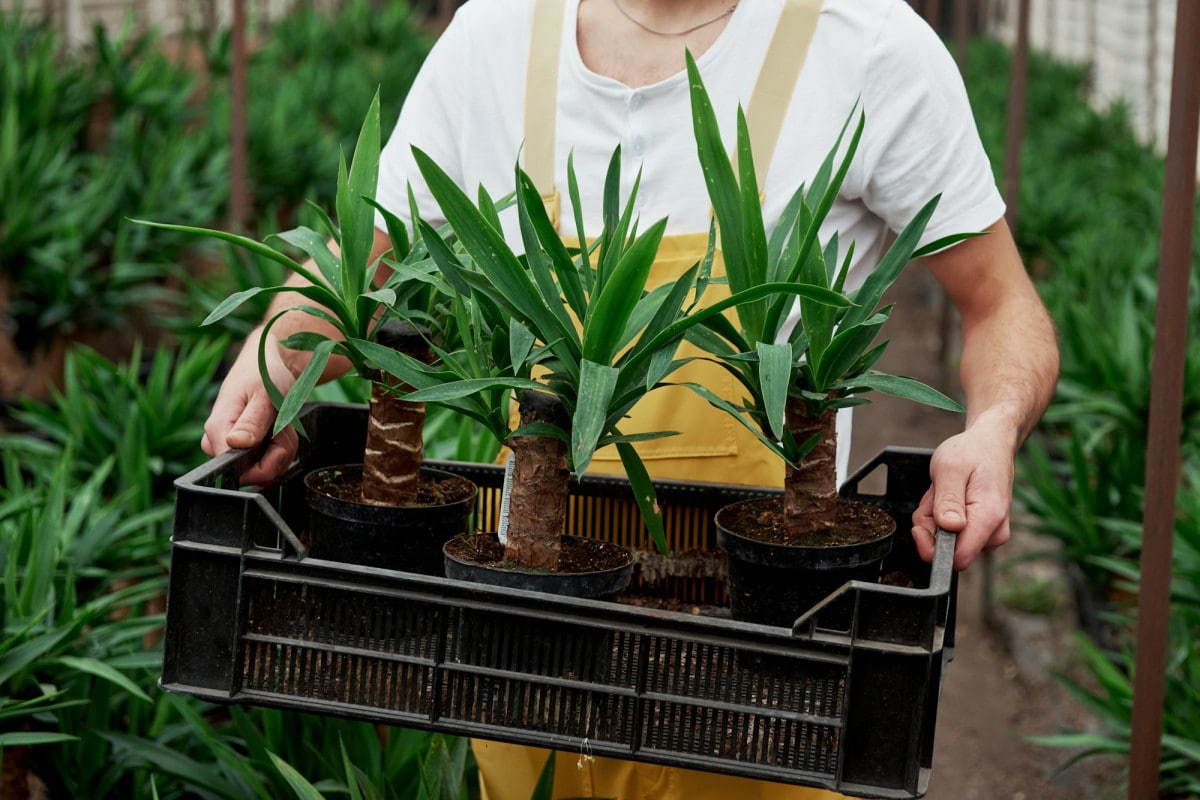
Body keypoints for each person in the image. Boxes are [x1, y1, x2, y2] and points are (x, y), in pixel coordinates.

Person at [201, 0, 1060, 797]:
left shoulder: (867, 42)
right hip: (529, 649)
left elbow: (1000, 302)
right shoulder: (494, 36)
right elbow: (364, 260)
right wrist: (277, 348)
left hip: (764, 681)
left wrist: (992, 427)